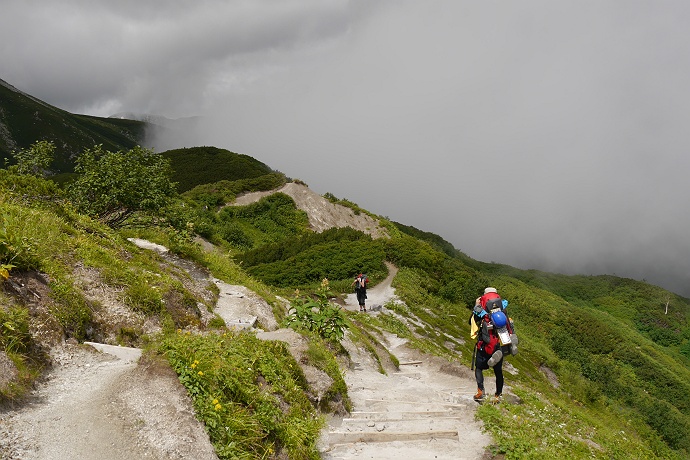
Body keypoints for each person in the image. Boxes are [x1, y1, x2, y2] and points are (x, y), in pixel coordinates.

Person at [472, 287, 505, 403]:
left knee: (479, 368)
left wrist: (476, 305)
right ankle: (498, 395)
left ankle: (481, 392)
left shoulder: (481, 308)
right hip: (497, 343)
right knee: (498, 371)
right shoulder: (502, 307)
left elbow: (473, 320)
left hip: (484, 344)